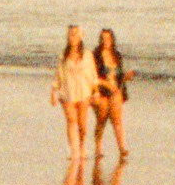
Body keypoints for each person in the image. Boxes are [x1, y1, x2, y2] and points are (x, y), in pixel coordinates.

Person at [50, 25, 95, 171]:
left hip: (83, 91)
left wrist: (95, 91)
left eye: (75, 35)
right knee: (71, 121)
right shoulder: (64, 55)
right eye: (70, 35)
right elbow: (59, 74)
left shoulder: (87, 55)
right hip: (67, 91)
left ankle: (82, 146)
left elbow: (92, 74)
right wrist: (53, 91)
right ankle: (73, 150)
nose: (72, 37)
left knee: (82, 123)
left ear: (81, 36)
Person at [90, 27, 131, 168]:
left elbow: (120, 75)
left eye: (108, 38)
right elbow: (92, 76)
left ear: (112, 39)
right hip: (101, 91)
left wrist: (126, 77)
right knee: (101, 119)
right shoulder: (95, 56)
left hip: (116, 90)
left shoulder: (117, 55)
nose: (105, 41)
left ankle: (122, 148)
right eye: (103, 38)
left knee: (117, 120)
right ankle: (98, 147)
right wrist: (104, 83)